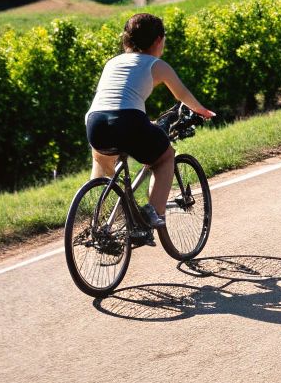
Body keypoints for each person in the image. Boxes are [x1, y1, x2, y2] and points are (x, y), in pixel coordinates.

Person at [86, 12, 216, 234]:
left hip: (95, 122)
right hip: (128, 121)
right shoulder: (157, 64)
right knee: (165, 157)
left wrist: (146, 124)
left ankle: (104, 222)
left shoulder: (112, 63)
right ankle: (152, 213)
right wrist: (202, 111)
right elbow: (181, 94)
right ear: (158, 40)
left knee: (107, 167)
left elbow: (119, 99)